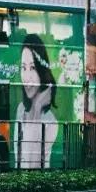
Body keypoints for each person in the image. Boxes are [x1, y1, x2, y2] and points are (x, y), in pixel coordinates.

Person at [15, 35, 59, 169]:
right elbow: (19, 160)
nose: (27, 78)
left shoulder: (50, 122)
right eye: (23, 68)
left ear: (41, 70)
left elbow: (32, 165)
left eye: (33, 68)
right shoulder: (21, 109)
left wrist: (37, 108)